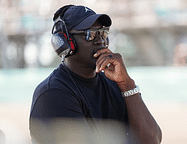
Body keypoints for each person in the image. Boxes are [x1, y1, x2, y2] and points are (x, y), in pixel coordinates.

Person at [29, 4, 162, 144]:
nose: (100, 41)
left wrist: (127, 85)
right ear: (66, 43)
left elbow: (152, 140)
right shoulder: (52, 93)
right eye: (90, 34)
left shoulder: (118, 84)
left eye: (103, 33)